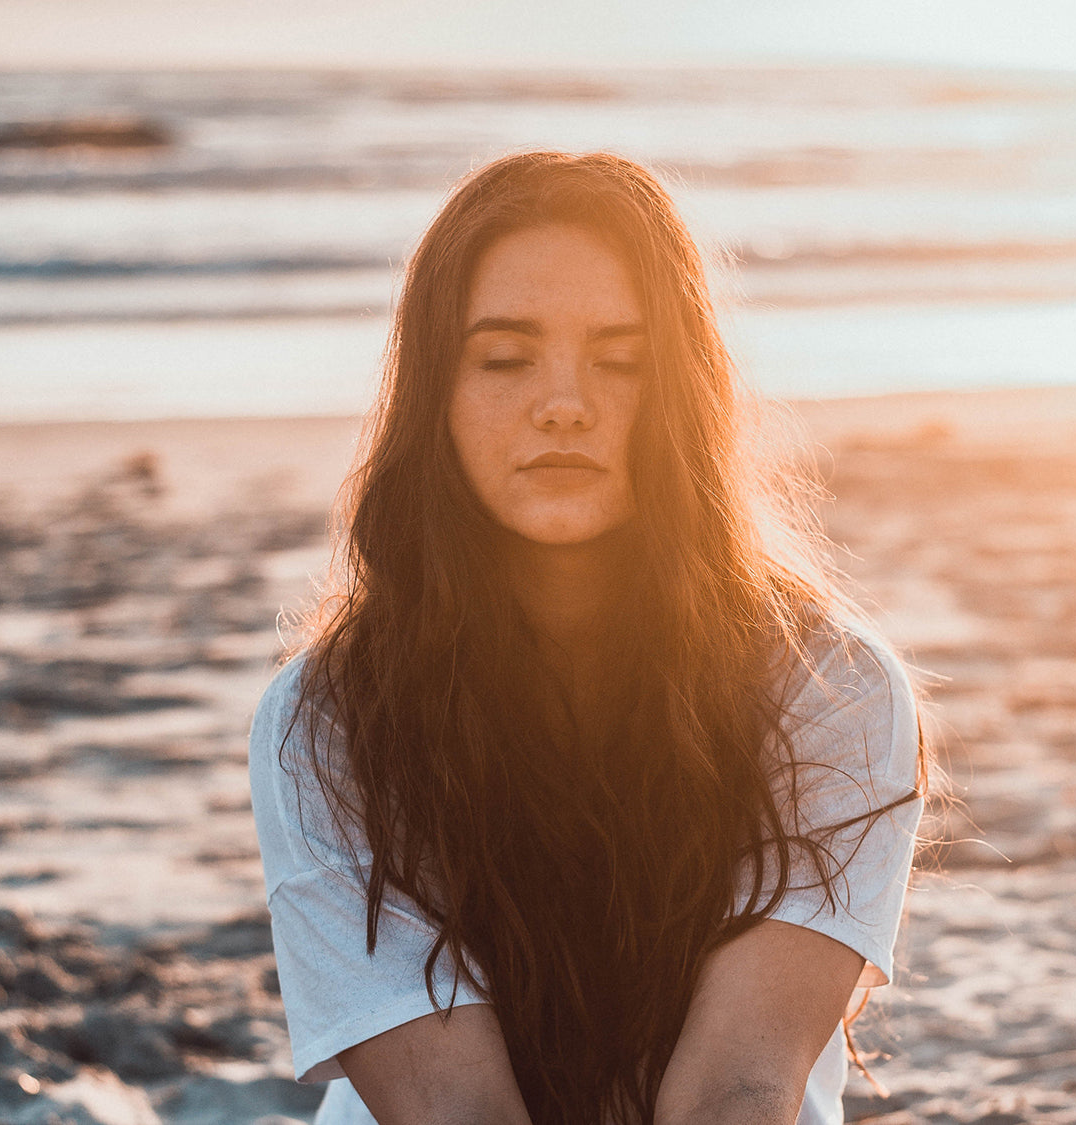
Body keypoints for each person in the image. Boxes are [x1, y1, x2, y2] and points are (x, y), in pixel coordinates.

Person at [248, 150, 926, 1125]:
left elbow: (735, 1091)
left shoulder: (831, 685)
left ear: (685, 393)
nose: (564, 403)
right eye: (504, 359)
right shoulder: (326, 719)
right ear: (432, 397)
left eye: (621, 361)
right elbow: (456, 1111)